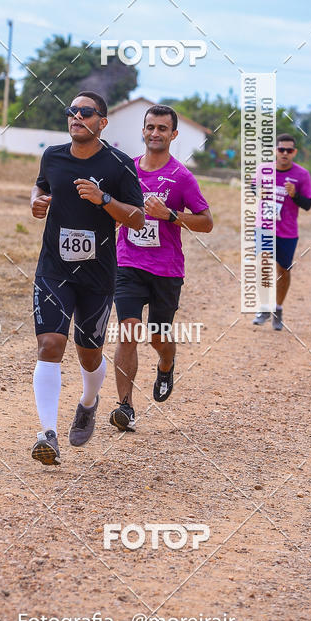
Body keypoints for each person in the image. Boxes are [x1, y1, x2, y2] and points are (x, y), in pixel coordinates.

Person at [29, 92, 145, 465]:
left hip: (97, 275)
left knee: (89, 352)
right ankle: (47, 433)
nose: (76, 116)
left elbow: (138, 219)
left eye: (86, 112)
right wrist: (36, 200)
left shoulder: (120, 164)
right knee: (49, 343)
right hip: (54, 268)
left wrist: (103, 199)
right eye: (72, 111)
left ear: (102, 122)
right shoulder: (54, 156)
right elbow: (43, 185)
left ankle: (89, 401)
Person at [109, 104, 213, 432]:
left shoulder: (182, 177)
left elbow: (207, 222)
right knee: (128, 329)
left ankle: (166, 363)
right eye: (150, 127)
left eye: (162, 129)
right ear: (143, 130)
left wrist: (171, 215)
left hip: (166, 269)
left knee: (157, 335)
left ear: (173, 134)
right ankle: (124, 406)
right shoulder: (127, 171)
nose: (155, 133)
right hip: (127, 261)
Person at [253, 134, 311, 331]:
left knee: (283, 271)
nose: (285, 153)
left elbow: (308, 205)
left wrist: (295, 194)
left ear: (294, 152)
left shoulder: (302, 175)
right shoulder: (264, 169)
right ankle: (263, 307)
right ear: (276, 151)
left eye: (289, 150)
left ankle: (277, 309)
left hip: (287, 231)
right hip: (264, 226)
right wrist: (258, 191)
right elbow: (253, 187)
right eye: (281, 149)